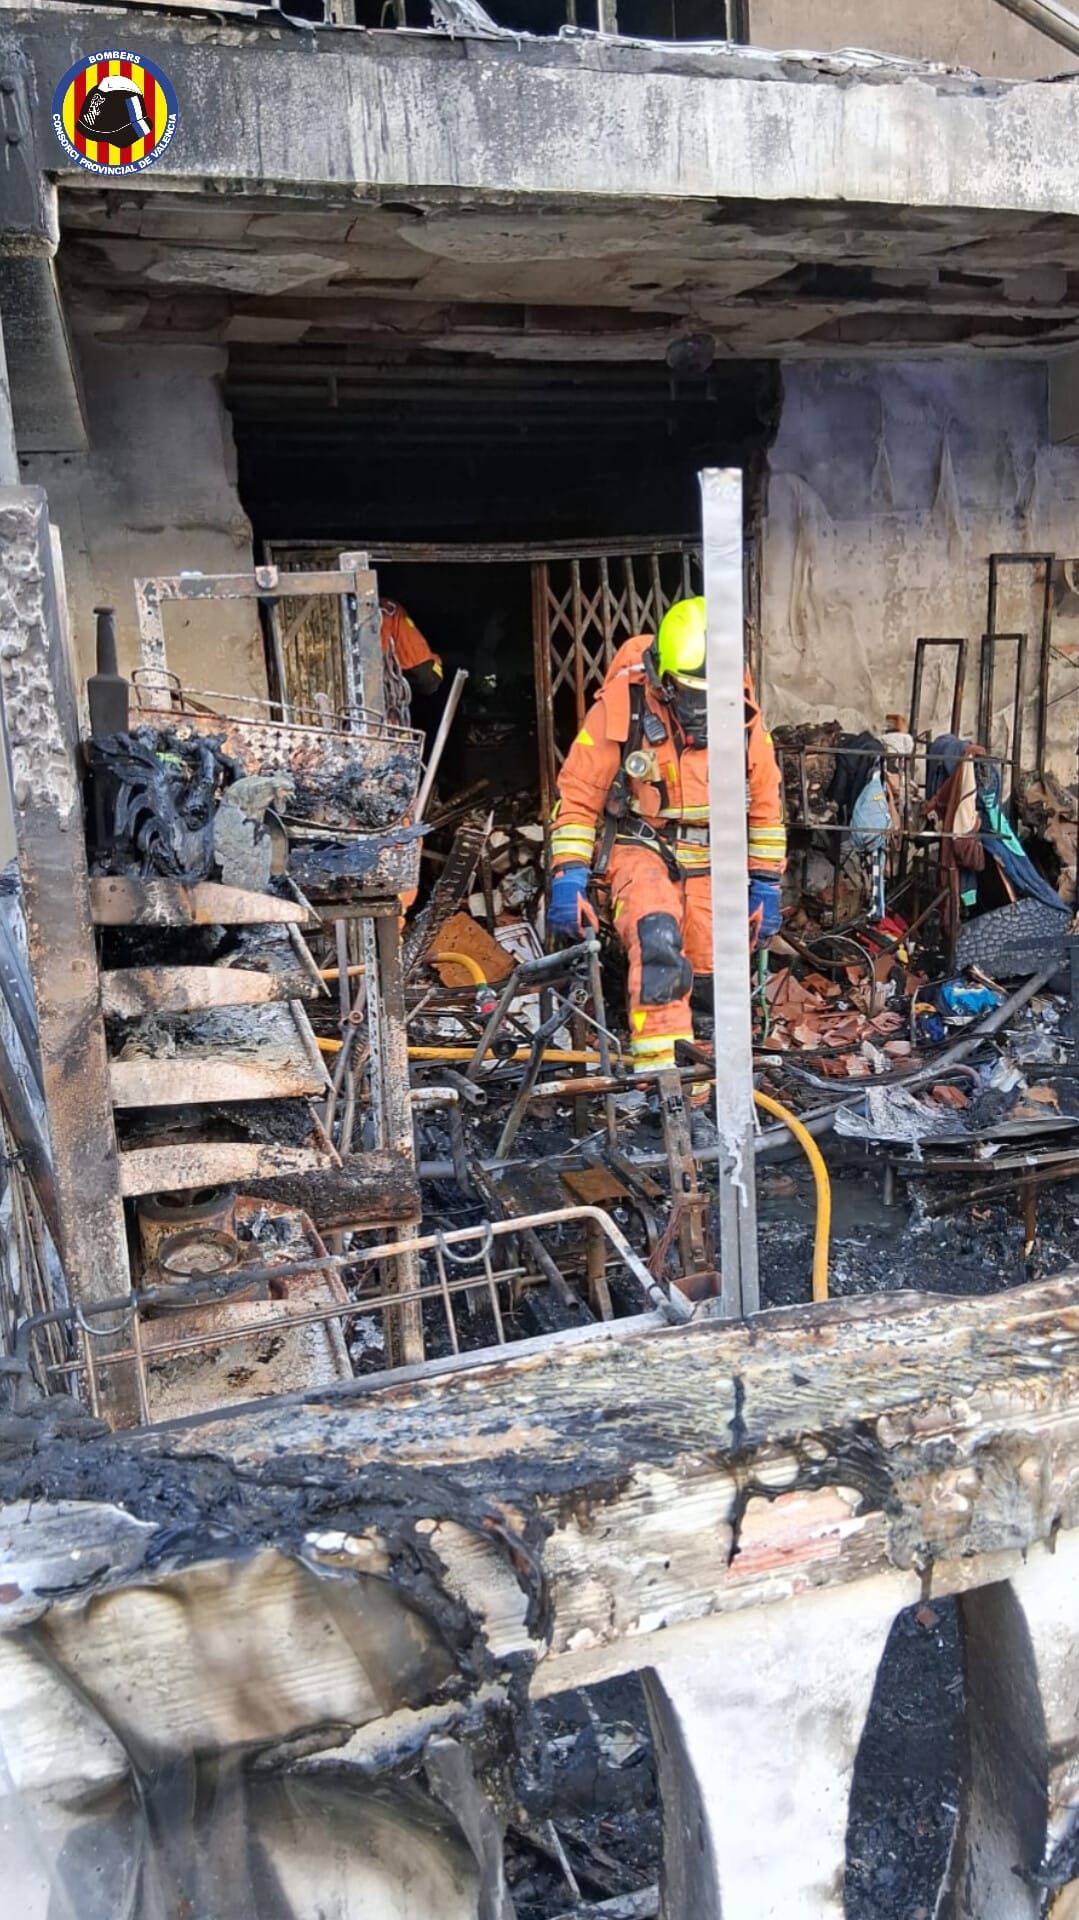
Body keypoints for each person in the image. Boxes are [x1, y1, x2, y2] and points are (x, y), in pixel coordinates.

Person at [547, 597, 785, 1070]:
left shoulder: (744, 720)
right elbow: (578, 797)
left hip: (713, 855)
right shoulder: (623, 707)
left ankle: (712, 1082)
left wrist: (767, 884)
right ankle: (663, 1082)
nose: (702, 707)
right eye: (690, 692)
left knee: (715, 975)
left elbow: (765, 808)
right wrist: (568, 876)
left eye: (711, 694)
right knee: (657, 941)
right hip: (643, 847)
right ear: (662, 677)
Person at [380, 599, 443, 701]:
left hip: (420, 665)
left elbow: (383, 650)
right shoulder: (388, 608)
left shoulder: (384, 610)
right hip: (416, 664)